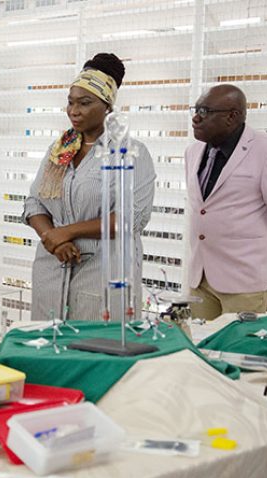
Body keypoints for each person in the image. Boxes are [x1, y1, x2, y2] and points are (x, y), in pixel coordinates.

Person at [23, 53, 156, 321]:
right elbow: (34, 203)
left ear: (107, 106)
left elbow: (130, 219)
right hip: (52, 269)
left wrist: (65, 232)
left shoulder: (131, 153)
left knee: (97, 353)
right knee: (48, 352)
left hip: (103, 272)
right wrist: (53, 240)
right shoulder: (59, 149)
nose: (74, 110)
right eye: (70, 102)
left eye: (85, 103)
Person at [186, 84, 267, 320]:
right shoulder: (193, 151)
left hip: (245, 280)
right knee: (198, 350)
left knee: (237, 353)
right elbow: (201, 210)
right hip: (199, 278)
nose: (196, 118)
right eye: (196, 109)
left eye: (206, 111)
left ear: (232, 116)